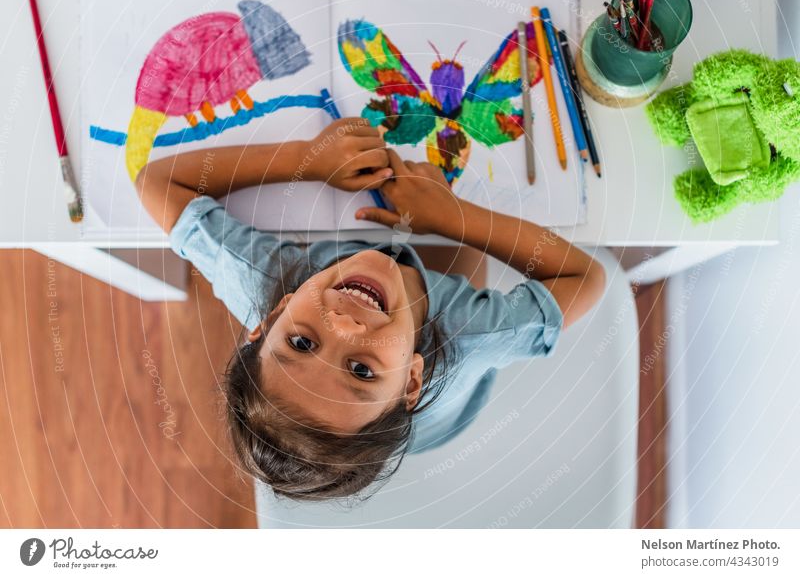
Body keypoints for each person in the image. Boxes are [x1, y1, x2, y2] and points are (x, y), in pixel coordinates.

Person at [135, 117, 606, 502]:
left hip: (377, 411)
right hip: (438, 420)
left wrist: (306, 159)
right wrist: (452, 216)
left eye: (302, 343)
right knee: (463, 254)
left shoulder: (261, 278)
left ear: (272, 316)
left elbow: (156, 182)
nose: (343, 325)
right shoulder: (469, 333)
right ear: (413, 380)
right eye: (360, 370)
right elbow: (583, 279)